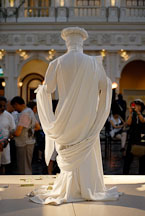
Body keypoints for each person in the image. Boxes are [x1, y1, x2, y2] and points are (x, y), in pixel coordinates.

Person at [29, 27, 120, 204]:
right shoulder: (94, 63)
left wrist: (39, 91)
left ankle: (69, 187)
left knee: (68, 146)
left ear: (67, 42)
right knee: (86, 150)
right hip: (87, 115)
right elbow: (105, 86)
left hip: (65, 116)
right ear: (82, 42)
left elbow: (47, 90)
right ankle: (88, 186)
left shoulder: (57, 63)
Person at [11, 96, 40, 174]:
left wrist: (11, 133)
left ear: (17, 104)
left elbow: (18, 132)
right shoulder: (30, 111)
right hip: (29, 142)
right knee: (27, 165)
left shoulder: (25, 114)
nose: (14, 109)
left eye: (14, 106)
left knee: (24, 167)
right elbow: (37, 126)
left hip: (24, 143)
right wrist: (30, 130)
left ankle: (25, 183)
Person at [123, 99, 145, 174]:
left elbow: (143, 121)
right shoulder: (131, 115)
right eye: (135, 105)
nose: (136, 107)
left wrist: (138, 113)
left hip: (142, 139)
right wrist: (131, 113)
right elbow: (128, 123)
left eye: (138, 106)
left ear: (142, 107)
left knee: (143, 159)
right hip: (132, 139)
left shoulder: (143, 115)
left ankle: (142, 175)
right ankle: (125, 174)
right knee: (128, 159)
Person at [0, 96, 16, 174]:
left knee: (4, 165)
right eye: (0, 106)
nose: (2, 108)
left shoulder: (9, 116)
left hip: (5, 144)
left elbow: (12, 131)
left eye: (4, 106)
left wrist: (8, 140)